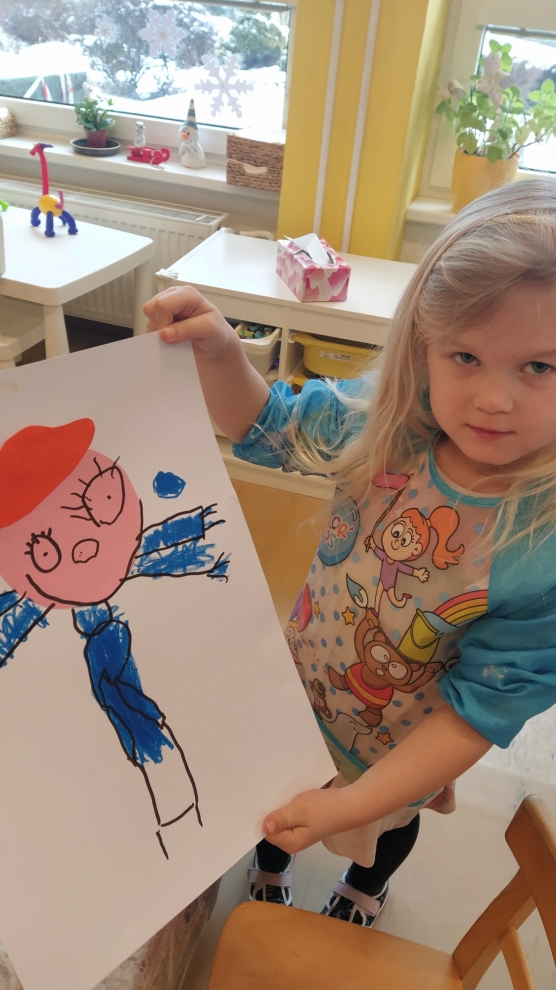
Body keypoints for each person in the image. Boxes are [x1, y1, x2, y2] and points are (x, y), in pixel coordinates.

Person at [144, 177, 556, 928]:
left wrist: (360, 802)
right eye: (465, 356)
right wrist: (221, 352)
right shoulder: (385, 424)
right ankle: (271, 869)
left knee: (384, 834)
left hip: (397, 751)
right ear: (424, 344)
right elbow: (264, 424)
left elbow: (478, 714)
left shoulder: (542, 548)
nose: (494, 399)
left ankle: (367, 888)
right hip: (298, 692)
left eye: (540, 367)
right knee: (273, 809)